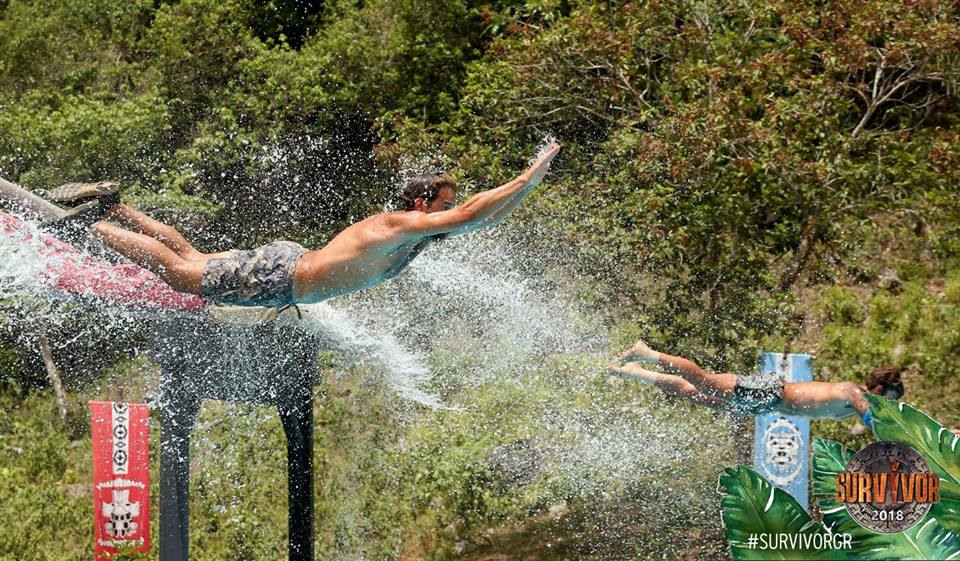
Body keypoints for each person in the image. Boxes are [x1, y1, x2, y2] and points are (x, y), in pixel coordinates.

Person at [43, 144, 561, 308]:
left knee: (194, 257)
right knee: (183, 272)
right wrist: (529, 177)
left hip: (287, 268)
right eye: (444, 204)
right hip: (283, 277)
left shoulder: (413, 233)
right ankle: (92, 230)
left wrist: (518, 190)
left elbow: (473, 214)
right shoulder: (403, 224)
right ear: (424, 202)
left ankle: (115, 208)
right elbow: (473, 213)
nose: (452, 212)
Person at [607, 339, 905, 424]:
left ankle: (633, 372)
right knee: (707, 382)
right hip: (771, 392)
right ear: (879, 390)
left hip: (769, 407)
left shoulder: (850, 409)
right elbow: (869, 414)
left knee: (697, 395)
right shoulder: (853, 391)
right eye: (890, 398)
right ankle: (646, 353)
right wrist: (898, 430)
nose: (889, 404)